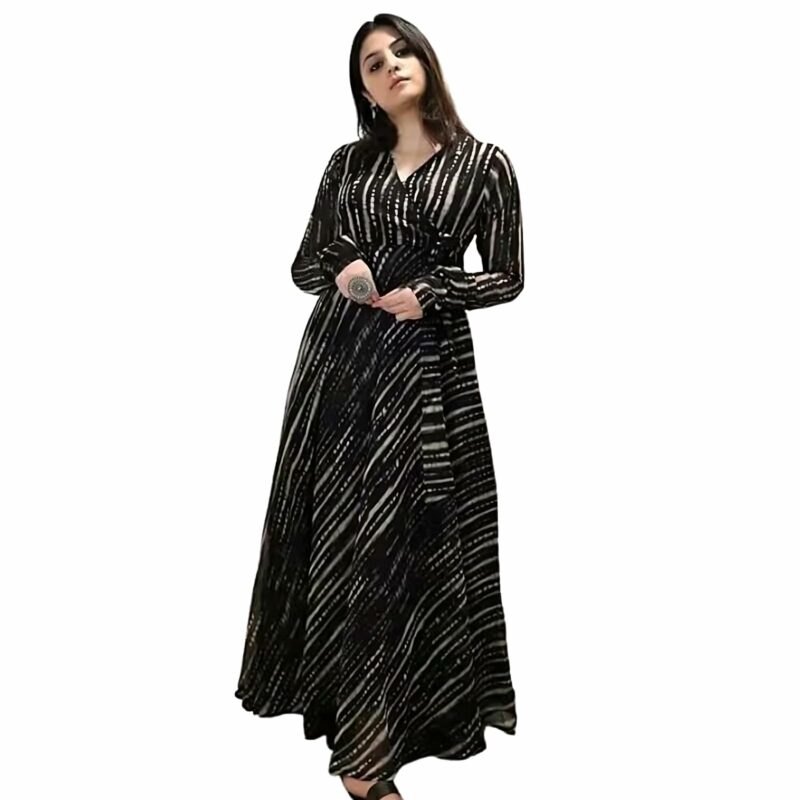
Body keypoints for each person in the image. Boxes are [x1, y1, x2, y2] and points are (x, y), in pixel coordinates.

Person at [234, 13, 524, 800]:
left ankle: (378, 745)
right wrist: (348, 269)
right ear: (362, 89)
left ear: (426, 61)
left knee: (404, 545)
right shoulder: (347, 164)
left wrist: (432, 290)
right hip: (338, 371)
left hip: (427, 375)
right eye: (371, 62)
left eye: (401, 51)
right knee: (339, 539)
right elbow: (305, 265)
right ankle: (363, 757)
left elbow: (507, 276)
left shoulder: (484, 164)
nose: (390, 65)